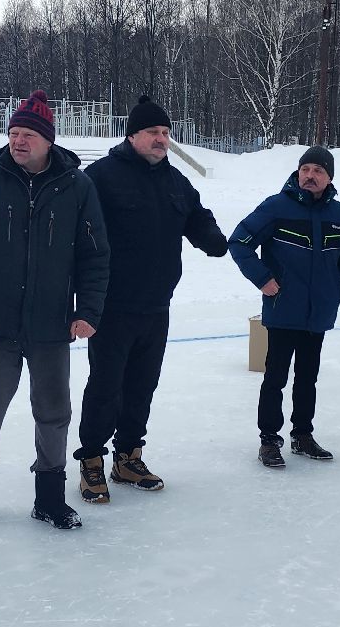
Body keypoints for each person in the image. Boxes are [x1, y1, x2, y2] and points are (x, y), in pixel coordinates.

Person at [0, 90, 110, 528]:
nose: (18, 141)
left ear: (48, 140)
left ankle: (49, 499)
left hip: (52, 325)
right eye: (14, 133)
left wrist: (87, 311)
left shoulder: (77, 186)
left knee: (54, 413)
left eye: (28, 135)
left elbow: (95, 256)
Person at [73, 96, 229, 504]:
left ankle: (128, 457)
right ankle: (91, 460)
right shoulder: (101, 177)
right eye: (153, 132)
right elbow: (79, 237)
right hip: (112, 306)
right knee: (105, 386)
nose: (162, 139)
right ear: (132, 135)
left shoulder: (175, 180)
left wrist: (212, 238)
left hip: (157, 304)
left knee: (142, 385)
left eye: (165, 132)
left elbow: (197, 216)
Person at [229, 146, 340, 468]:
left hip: (319, 312)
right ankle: (269, 439)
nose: (310, 176)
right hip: (284, 309)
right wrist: (263, 279)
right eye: (305, 170)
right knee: (275, 378)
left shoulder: (339, 214)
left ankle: (302, 435)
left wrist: (338, 288)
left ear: (329, 178)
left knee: (307, 378)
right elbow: (239, 242)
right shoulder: (277, 207)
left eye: (318, 171)